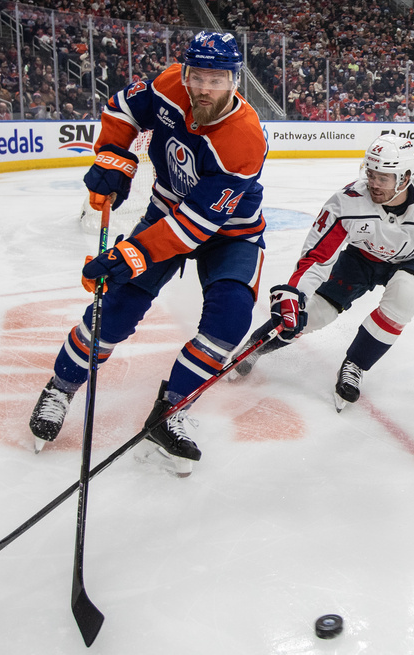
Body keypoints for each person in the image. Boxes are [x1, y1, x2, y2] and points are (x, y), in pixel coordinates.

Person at [28, 31, 268, 476]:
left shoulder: (245, 140)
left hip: (229, 233)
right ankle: (61, 387)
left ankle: (170, 411)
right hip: (166, 209)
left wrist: (130, 254)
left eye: (217, 80)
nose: (203, 88)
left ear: (235, 81)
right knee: (116, 308)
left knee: (230, 320)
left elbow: (196, 226)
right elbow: (122, 108)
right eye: (197, 76)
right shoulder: (170, 83)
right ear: (187, 71)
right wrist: (114, 157)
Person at [229, 134, 414, 411]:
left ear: (404, 178)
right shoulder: (346, 203)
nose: (373, 184)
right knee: (313, 312)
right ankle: (253, 348)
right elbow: (317, 256)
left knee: (405, 297)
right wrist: (296, 293)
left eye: (383, 178)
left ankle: (354, 364)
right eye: (370, 174)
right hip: (361, 259)